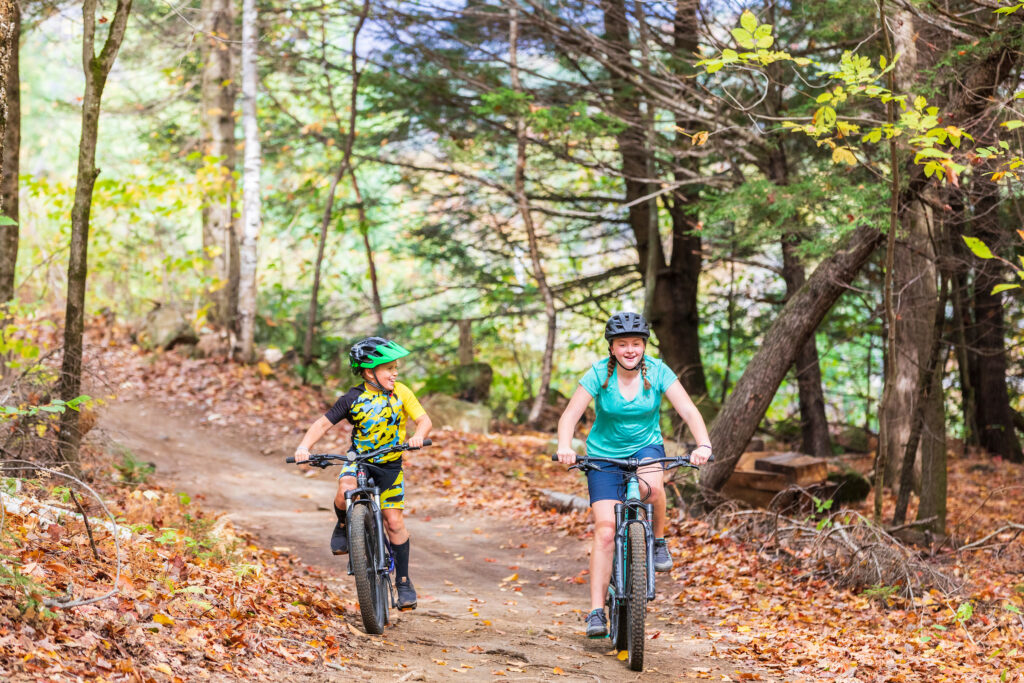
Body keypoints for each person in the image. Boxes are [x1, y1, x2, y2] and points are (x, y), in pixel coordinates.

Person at [555, 312, 712, 638]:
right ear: (612, 348)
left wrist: (703, 443)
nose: (630, 349)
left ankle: (656, 542)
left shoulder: (657, 371)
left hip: (646, 449)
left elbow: (687, 409)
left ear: (644, 346)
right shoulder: (599, 373)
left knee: (653, 489)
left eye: (636, 343)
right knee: (606, 530)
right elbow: (571, 414)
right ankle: (597, 611)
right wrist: (564, 445)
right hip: (603, 456)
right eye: (622, 344)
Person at [294, 336, 432, 610]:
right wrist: (304, 447)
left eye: (396, 367)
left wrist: (418, 435)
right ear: (370, 372)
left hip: (390, 466)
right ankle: (345, 525)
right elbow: (322, 425)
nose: (395, 372)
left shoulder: (401, 392)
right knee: (344, 489)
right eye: (389, 368)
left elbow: (423, 419)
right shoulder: (353, 398)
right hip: (359, 460)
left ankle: (403, 580)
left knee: (394, 522)